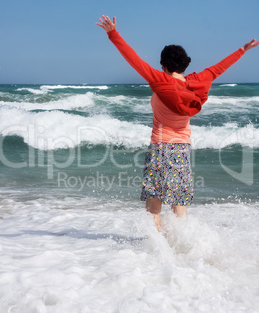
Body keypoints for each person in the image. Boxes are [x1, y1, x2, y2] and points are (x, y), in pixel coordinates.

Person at [96, 15, 259, 231]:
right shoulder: (197, 83)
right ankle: (183, 248)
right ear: (185, 65)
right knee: (179, 205)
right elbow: (219, 68)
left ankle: (158, 254)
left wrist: (113, 33)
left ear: (163, 65)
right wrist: (242, 50)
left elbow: (133, 59)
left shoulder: (160, 80)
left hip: (159, 147)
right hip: (182, 149)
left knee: (154, 205)